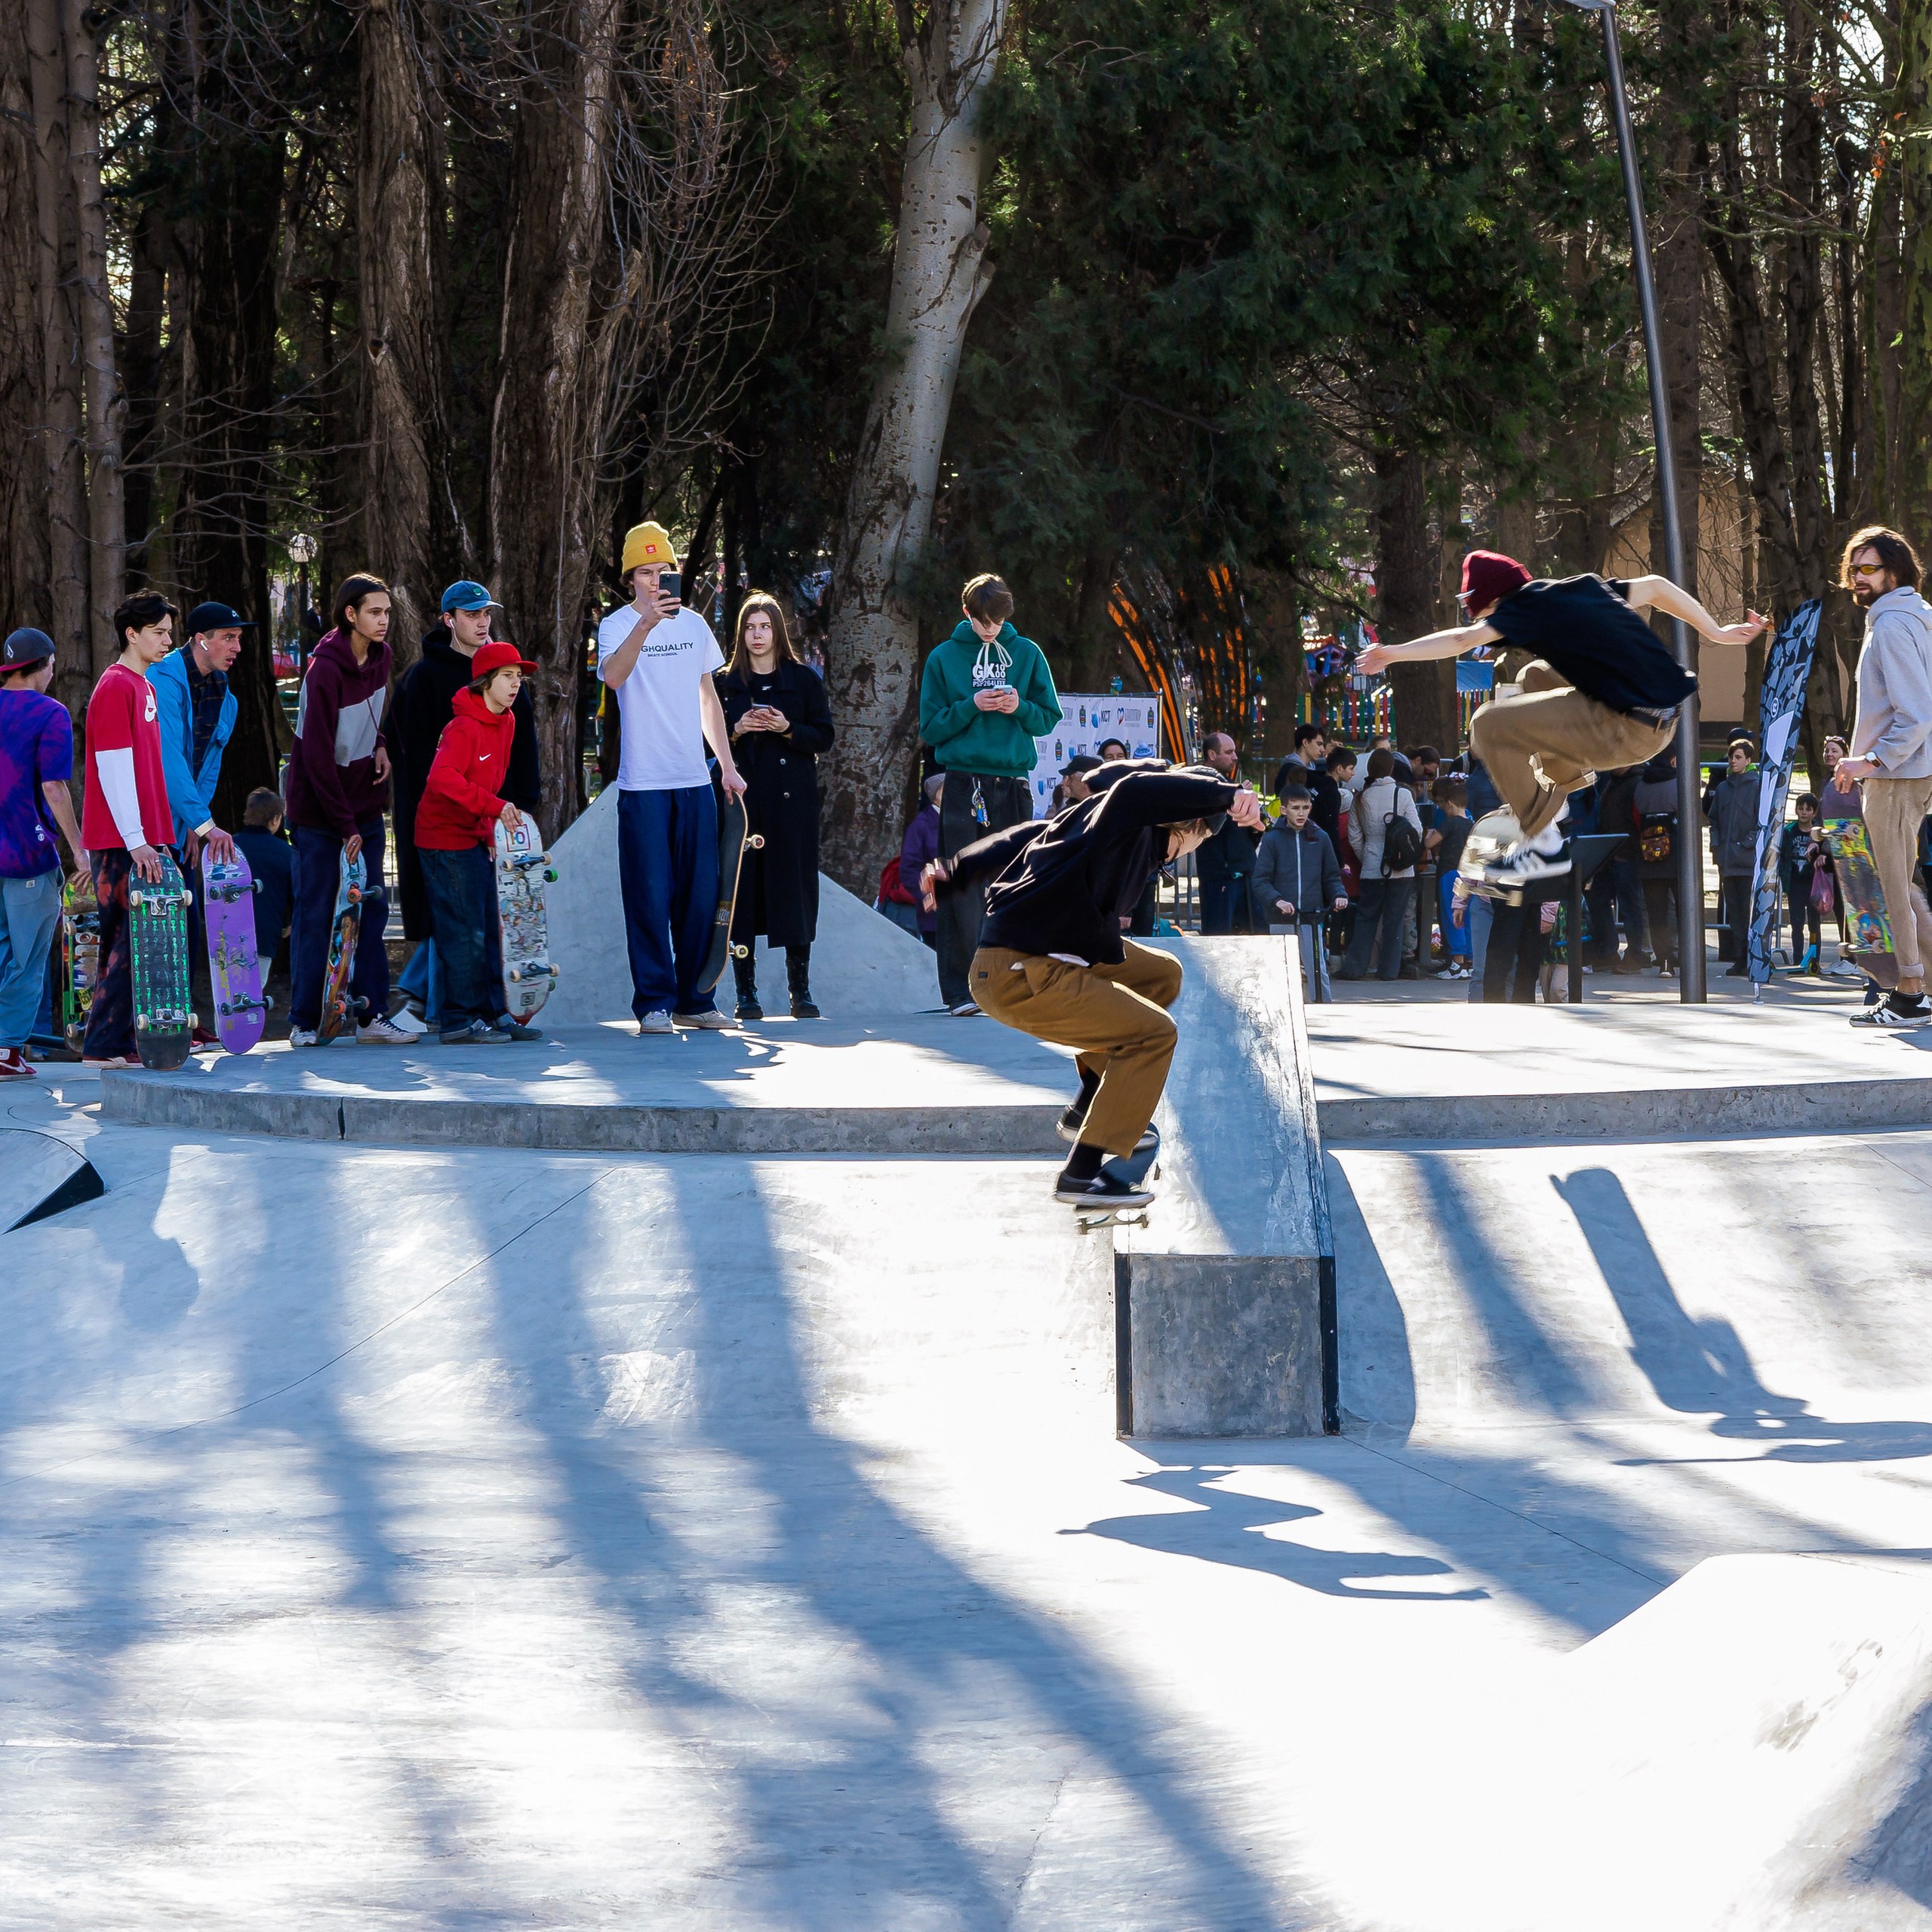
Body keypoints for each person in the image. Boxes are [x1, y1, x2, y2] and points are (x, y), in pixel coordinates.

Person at [921, 759, 1262, 1209]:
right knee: (1155, 1035)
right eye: (1201, 838)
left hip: (1039, 958)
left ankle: (1088, 1101)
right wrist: (1227, 794)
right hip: (1020, 973)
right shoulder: (1129, 823)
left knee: (1162, 974)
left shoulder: (1088, 817)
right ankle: (1083, 1172)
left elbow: (1028, 833)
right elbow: (1137, 787)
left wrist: (958, 867)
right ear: (1189, 828)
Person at [1358, 549, 1767, 891]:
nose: (1477, 620)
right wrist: (1715, 631)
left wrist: (1392, 653)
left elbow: (1460, 641)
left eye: (1476, 609)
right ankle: (1563, 786)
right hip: (1663, 720)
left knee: (1485, 723)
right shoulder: (1581, 586)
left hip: (1624, 730)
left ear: (1490, 600)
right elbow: (1658, 586)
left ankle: (1541, 835)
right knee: (1532, 676)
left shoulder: (1518, 609)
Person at [598, 521, 746, 1034]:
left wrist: (725, 766)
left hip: (693, 781)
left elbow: (708, 698)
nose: (658, 579)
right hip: (643, 786)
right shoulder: (617, 626)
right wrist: (646, 626)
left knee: (700, 896)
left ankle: (695, 999)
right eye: (647, 571)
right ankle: (654, 1003)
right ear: (631, 578)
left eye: (666, 570)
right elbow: (614, 678)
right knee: (649, 896)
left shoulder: (696, 626)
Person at [391, 581, 542, 1033]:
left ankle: (493, 1013)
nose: (481, 621)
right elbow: (433, 774)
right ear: (449, 619)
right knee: (461, 930)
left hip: (482, 828)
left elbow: (509, 770)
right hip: (445, 832)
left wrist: (501, 818)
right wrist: (489, 809)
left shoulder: (507, 714)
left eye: (486, 614)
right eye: (471, 614)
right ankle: (455, 1016)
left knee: (489, 927)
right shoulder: (450, 710)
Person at [917, 572, 1063, 1014]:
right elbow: (930, 727)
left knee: (1016, 882)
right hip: (963, 783)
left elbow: (1047, 718)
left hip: (1012, 781)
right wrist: (970, 706)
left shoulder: (1028, 653)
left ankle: (1013, 985)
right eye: (983, 622)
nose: (990, 630)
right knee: (960, 883)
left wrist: (1019, 706)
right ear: (967, 614)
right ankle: (962, 992)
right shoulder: (943, 658)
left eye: (998, 623)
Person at [285, 574, 411, 1045]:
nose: (383, 621)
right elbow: (317, 757)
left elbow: (377, 713)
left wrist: (379, 745)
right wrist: (342, 826)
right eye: (374, 612)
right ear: (350, 614)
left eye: (387, 612)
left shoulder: (382, 658)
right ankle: (303, 1020)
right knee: (316, 914)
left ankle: (372, 1016)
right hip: (319, 813)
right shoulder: (324, 670)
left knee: (372, 911)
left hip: (363, 806)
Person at [1827, 528, 1932, 1026]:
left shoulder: (1892, 626)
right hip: (1910, 770)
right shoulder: (1919, 616)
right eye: (1853, 567)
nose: (1857, 577)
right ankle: (1924, 983)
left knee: (1893, 887)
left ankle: (1910, 995)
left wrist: (1868, 762)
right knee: (1906, 887)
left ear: (1895, 571)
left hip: (1896, 775)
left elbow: (1916, 714)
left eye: (1867, 568)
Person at [718, 591, 835, 1020]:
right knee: (741, 895)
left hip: (792, 807)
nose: (757, 634)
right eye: (750, 627)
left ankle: (799, 991)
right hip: (743, 806)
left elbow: (824, 736)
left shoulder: (803, 680)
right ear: (740, 633)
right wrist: (736, 729)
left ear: (777, 631)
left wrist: (788, 728)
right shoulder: (723, 683)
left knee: (796, 894)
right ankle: (744, 993)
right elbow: (701, 743)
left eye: (765, 626)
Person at [79, 594, 178, 1066]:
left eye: (168, 631)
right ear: (131, 634)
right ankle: (103, 1047)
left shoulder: (144, 686)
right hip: (120, 841)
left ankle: (118, 1042)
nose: (167, 639)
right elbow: (113, 767)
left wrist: (151, 837)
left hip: (139, 838)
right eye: (158, 631)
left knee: (137, 944)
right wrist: (138, 840)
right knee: (125, 942)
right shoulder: (116, 686)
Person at [148, 600, 245, 1044]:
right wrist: (204, 825)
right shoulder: (163, 680)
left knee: (183, 920)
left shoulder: (226, 694)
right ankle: (149, 1020)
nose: (237, 646)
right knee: (150, 922)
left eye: (239, 638)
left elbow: (207, 765)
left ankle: (182, 1017)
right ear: (201, 639)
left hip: (183, 820)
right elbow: (168, 758)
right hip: (147, 820)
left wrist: (193, 825)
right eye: (229, 637)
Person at [0, 628, 82, 1078]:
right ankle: (7, 1051)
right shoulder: (51, 712)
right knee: (28, 957)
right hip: (28, 855)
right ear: (45, 665)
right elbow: (53, 785)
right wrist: (80, 852)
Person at [1340, 748, 1423, 981]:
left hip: (1371, 867)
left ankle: (1354, 967)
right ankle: (1389, 971)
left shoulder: (1360, 797)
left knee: (1366, 918)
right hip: (1401, 868)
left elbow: (1354, 836)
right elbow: (1416, 829)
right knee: (1395, 920)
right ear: (1392, 769)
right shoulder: (1403, 795)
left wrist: (1367, 856)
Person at [1251, 784, 1346, 934]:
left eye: (1305, 807)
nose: (1301, 813)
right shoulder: (1272, 839)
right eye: (1295, 808)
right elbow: (1260, 881)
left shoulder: (1321, 838)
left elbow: (1332, 878)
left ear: (1310, 808)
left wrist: (1339, 894)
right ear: (1284, 810)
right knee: (1283, 958)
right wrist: (1277, 901)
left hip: (1312, 919)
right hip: (1279, 920)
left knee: (1312, 958)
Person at [1705, 737, 1760, 974]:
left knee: (1748, 911)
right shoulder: (1724, 789)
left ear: (1748, 760)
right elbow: (1713, 819)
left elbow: (1762, 822)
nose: (1733, 761)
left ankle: (1753, 956)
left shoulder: (1757, 787)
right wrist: (1716, 845)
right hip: (1727, 860)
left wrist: (1748, 843)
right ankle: (1741, 957)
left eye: (1738, 757)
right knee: (1735, 913)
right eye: (1731, 757)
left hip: (1747, 861)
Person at [1195, 731, 1257, 933]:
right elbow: (1211, 827)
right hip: (1219, 876)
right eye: (1229, 752)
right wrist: (1233, 800)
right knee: (1218, 938)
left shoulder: (1229, 785)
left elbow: (1245, 830)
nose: (1235, 757)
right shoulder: (1202, 782)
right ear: (1212, 755)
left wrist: (1256, 821)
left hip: (1244, 872)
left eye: (1235, 752)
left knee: (1256, 934)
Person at [233, 788, 295, 981]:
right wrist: (294, 920)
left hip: (226, 930)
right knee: (254, 989)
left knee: (225, 991)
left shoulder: (229, 846)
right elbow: (297, 892)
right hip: (264, 932)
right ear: (275, 819)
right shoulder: (285, 852)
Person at [1632, 750, 1682, 977]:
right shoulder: (1679, 785)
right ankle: (1688, 958)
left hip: (1648, 859)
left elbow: (1635, 819)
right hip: (1678, 858)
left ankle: (1664, 962)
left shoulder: (1641, 786)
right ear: (1673, 760)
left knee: (1656, 913)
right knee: (1685, 910)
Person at [1429, 776, 1475, 980]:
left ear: (1449, 803)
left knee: (1451, 916)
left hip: (1450, 873)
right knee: (1467, 918)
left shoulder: (1450, 823)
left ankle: (1456, 963)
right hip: (1469, 874)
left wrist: (1425, 835)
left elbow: (1430, 844)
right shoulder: (1472, 824)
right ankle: (1469, 962)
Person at [1780, 793, 1831, 973]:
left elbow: (1826, 854)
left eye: (1808, 809)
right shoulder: (1788, 831)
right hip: (1795, 883)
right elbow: (1783, 857)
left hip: (1814, 883)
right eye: (1800, 808)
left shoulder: (1818, 833)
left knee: (1814, 923)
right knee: (1797, 922)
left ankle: (1814, 958)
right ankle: (1797, 959)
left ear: (1814, 812)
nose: (1803, 812)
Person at [897, 774, 945, 949]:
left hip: (962, 915)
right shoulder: (921, 825)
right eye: (944, 789)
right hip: (934, 917)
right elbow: (909, 870)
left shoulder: (958, 822)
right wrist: (930, 896)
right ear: (934, 795)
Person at [1272, 723, 1327, 799]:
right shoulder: (1288, 771)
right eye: (1319, 744)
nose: (1323, 750)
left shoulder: (1315, 769)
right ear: (1305, 742)